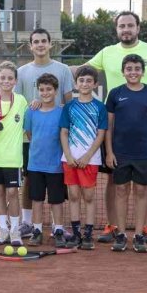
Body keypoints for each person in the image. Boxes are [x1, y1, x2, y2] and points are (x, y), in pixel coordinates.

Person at [83, 11, 147, 245]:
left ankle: (144, 227)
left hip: (142, 130)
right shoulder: (107, 52)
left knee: (143, 184)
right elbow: (82, 72)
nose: (126, 29)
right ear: (117, 29)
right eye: (122, 26)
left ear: (138, 28)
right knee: (112, 180)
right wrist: (52, 67)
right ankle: (113, 226)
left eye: (130, 25)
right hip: (113, 128)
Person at [16, 28, 73, 243]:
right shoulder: (22, 72)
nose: (40, 45)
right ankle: (29, 224)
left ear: (50, 44)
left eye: (43, 41)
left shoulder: (63, 69)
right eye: (36, 42)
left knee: (56, 188)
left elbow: (68, 101)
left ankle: (57, 228)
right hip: (30, 140)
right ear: (30, 46)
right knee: (30, 182)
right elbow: (18, 102)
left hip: (57, 140)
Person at [104, 54, 147, 253]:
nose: (133, 72)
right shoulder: (115, 93)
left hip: (144, 154)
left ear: (143, 71)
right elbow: (109, 126)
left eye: (137, 68)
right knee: (120, 192)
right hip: (120, 153)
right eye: (129, 69)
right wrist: (109, 152)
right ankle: (121, 234)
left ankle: (139, 235)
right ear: (123, 72)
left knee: (141, 192)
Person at [59, 65, 108, 251]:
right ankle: (76, 233)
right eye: (81, 80)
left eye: (89, 81)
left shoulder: (99, 107)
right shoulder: (70, 106)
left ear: (95, 84)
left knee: (88, 196)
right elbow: (64, 132)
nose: (85, 84)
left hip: (91, 160)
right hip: (69, 159)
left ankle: (88, 234)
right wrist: (69, 155)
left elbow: (101, 134)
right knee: (73, 195)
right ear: (76, 83)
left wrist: (87, 156)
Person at [0, 61, 28, 246]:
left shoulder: (21, 101)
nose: (6, 81)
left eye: (10, 78)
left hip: (13, 157)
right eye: (3, 77)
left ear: (16, 81)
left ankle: (15, 230)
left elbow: (29, 118)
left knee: (12, 192)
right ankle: (3, 229)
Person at [22, 73, 68, 248]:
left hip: (56, 166)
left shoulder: (62, 112)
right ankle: (37, 231)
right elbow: (30, 134)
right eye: (42, 89)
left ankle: (58, 230)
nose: (45, 92)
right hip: (35, 165)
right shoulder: (31, 111)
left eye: (49, 89)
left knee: (56, 201)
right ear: (37, 91)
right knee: (37, 200)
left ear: (55, 91)